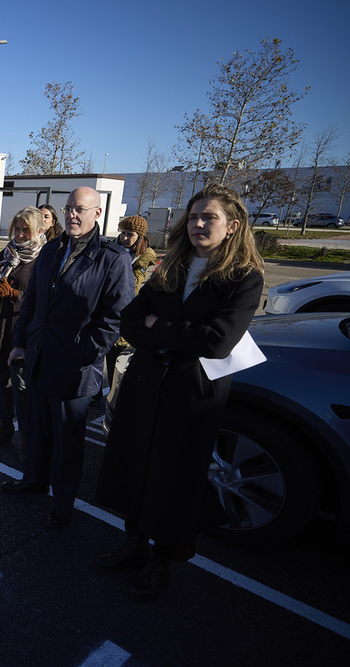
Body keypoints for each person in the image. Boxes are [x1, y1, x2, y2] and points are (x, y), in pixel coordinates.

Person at [94, 184, 264, 601]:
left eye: (209, 217)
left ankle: (163, 561)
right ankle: (133, 542)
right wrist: (165, 333)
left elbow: (218, 341)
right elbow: (131, 320)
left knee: (174, 480)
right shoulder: (170, 266)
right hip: (147, 384)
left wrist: (160, 329)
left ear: (232, 226)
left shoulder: (244, 278)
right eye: (193, 217)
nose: (198, 224)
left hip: (192, 395)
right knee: (136, 465)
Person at [1, 187, 134, 530]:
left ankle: (62, 502)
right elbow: (31, 302)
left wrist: (86, 352)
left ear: (97, 213)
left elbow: (117, 316)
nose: (73, 214)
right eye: (69, 208)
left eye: (80, 209)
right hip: (39, 356)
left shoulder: (112, 257)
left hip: (75, 366)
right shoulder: (51, 250)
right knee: (37, 429)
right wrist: (19, 344)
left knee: (67, 441)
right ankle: (33, 479)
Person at [0, 207, 46, 448]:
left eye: (25, 230)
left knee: (22, 388)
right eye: (16, 229)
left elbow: (45, 298)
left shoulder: (44, 259)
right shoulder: (5, 253)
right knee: (1, 383)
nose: (19, 234)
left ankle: (27, 439)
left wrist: (16, 294)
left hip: (21, 333)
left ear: (38, 231)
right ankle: (5, 428)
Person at [105, 215, 159, 388]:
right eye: (123, 233)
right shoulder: (113, 249)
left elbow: (132, 286)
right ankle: (99, 393)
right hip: (108, 309)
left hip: (129, 312)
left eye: (131, 234)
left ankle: (115, 395)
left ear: (140, 237)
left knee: (120, 361)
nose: (125, 238)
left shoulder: (145, 256)